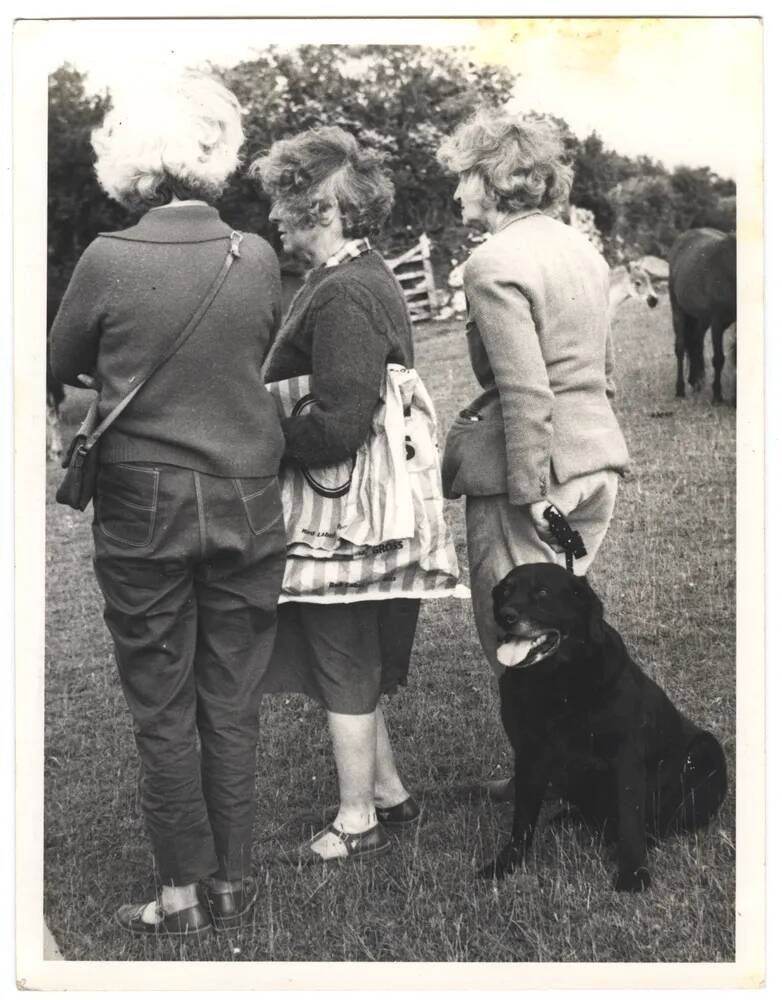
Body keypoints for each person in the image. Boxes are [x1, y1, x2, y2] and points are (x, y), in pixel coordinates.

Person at [49, 72, 287, 937]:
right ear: (216, 151)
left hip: (143, 504)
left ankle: (181, 891)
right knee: (233, 696)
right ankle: (233, 883)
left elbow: (60, 367)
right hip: (250, 501)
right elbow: (259, 351)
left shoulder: (107, 258)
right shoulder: (256, 255)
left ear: (130, 159)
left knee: (162, 701)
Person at [436, 110, 631, 796]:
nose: (458, 193)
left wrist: (531, 490)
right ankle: (575, 762)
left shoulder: (493, 262)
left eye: (464, 177)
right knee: (562, 629)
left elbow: (524, 391)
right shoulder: (583, 249)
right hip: (597, 461)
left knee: (514, 631)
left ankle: (547, 775)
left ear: (493, 181)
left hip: (536, 477)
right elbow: (603, 372)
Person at [249, 126, 421, 864]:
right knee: (341, 647)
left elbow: (341, 424)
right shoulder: (353, 275)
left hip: (338, 512)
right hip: (349, 509)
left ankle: (357, 820)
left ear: (324, 204)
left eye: (287, 201)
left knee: (342, 647)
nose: (275, 218)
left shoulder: (344, 289)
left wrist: (259, 433)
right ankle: (386, 791)